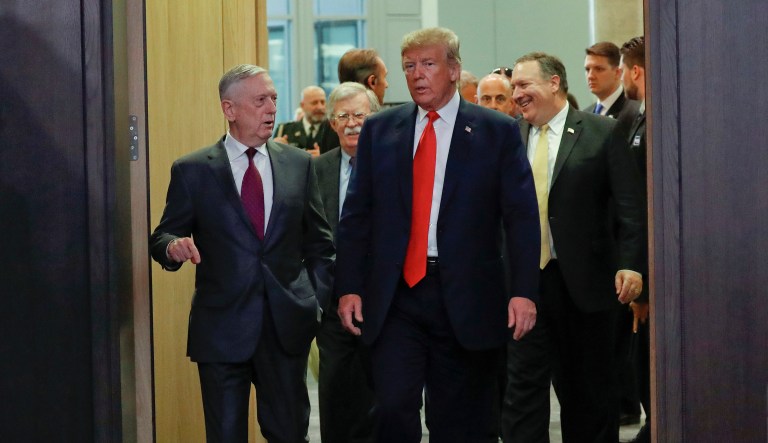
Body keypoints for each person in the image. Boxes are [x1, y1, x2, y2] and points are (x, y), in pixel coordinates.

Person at [335, 27, 541, 443]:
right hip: (397, 296)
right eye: (409, 66)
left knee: (459, 422)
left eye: (428, 64)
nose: (417, 75)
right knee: (392, 409)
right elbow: (358, 215)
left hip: (465, 296)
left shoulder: (495, 131)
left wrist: (523, 291)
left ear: (453, 70)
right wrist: (349, 286)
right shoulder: (381, 130)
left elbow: (521, 218)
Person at [149, 64, 335, 443]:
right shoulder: (193, 170)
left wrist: (315, 303)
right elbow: (162, 234)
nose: (271, 109)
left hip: (286, 327)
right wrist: (173, 246)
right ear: (229, 109)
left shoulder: (299, 164)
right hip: (221, 328)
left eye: (274, 100)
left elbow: (320, 244)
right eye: (260, 100)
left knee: (289, 434)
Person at [503, 52, 646, 443]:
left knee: (588, 398)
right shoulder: (508, 136)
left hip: (585, 288)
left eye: (523, 84)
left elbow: (631, 206)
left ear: (553, 83)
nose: (516, 93)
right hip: (524, 288)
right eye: (514, 86)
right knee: (522, 397)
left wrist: (632, 265)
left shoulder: (602, 131)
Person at [314, 82, 381, 443]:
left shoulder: (393, 165)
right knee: (336, 392)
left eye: (360, 115)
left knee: (381, 396)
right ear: (332, 124)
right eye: (343, 116)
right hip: (332, 302)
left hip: (384, 300)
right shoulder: (316, 170)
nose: (352, 123)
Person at [619, 35, 651, 443]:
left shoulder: (651, 117)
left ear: (635, 71)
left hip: (650, 263)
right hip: (637, 261)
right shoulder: (635, 116)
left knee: (647, 359)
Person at [274, 85, 334, 156]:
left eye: (323, 102)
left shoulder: (334, 130)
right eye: (314, 103)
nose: (320, 107)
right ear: (302, 105)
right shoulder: (284, 130)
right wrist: (273, 148)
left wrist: (324, 157)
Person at [583, 42, 636, 119]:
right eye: (587, 69)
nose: (590, 76)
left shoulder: (634, 112)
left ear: (618, 72)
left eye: (599, 69)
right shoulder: (585, 114)